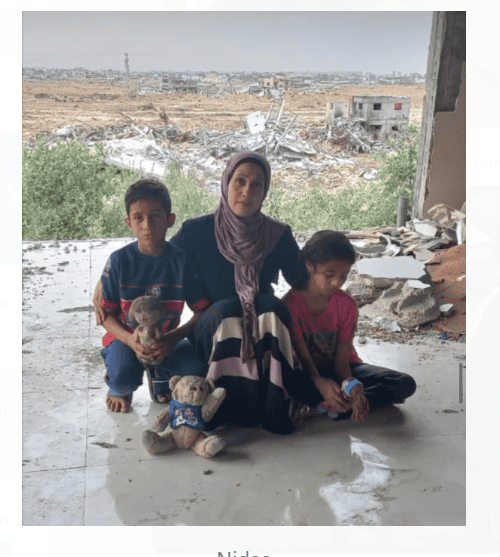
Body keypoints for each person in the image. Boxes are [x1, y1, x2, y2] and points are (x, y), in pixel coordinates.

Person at [167, 151, 308, 434]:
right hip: (211, 327)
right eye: (240, 181)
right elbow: (162, 262)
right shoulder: (196, 231)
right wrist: (106, 280)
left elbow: (303, 279)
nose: (247, 191)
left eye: (257, 185)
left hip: (260, 328)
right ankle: (223, 407)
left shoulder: (277, 234)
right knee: (228, 310)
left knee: (269, 307)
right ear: (226, 183)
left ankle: (274, 408)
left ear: (265, 192)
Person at [97, 176, 210, 413]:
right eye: (139, 217)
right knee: (123, 374)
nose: (147, 225)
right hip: (126, 339)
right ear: (129, 222)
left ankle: (160, 380)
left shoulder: (181, 261)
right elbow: (105, 315)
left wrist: (173, 338)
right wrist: (129, 340)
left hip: (166, 340)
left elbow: (201, 310)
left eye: (156, 216)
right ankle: (120, 387)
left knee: (197, 371)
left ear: (170, 220)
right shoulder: (119, 262)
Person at [282, 230, 417, 420]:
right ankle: (342, 404)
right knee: (289, 382)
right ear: (310, 266)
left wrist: (352, 384)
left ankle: (335, 404)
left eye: (343, 276)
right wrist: (320, 382)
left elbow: (342, 359)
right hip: (308, 370)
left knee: (404, 383)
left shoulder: (347, 304)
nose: (337, 282)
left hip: (343, 366)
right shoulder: (291, 304)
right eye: (329, 274)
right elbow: (301, 354)